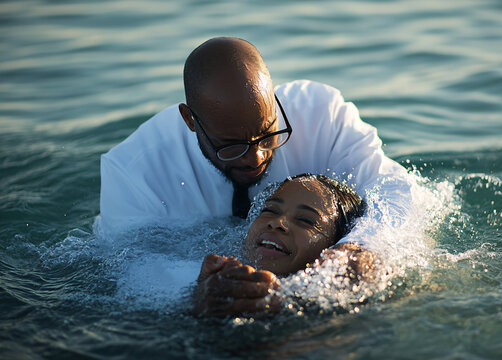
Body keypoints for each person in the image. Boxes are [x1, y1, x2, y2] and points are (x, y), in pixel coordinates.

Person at [98, 36, 413, 313]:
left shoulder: (323, 117)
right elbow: (130, 268)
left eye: (267, 134)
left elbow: (397, 191)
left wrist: (364, 245)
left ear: (272, 98)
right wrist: (194, 291)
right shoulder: (133, 170)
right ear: (190, 120)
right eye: (232, 146)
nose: (257, 158)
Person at [192, 173, 371, 316]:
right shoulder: (210, 276)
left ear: (335, 248)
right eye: (270, 210)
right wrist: (197, 303)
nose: (278, 222)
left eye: (305, 220)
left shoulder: (341, 311)